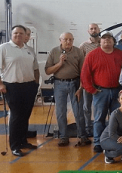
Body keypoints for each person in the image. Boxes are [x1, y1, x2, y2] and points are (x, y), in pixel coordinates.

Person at [81, 30, 122, 153]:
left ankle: (114, 140)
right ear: (100, 41)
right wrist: (92, 90)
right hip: (100, 92)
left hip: (118, 92)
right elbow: (85, 74)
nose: (107, 40)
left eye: (109, 38)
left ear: (113, 41)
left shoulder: (120, 54)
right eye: (104, 38)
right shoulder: (92, 55)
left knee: (116, 118)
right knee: (99, 118)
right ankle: (98, 142)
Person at [0, 25, 40, 156]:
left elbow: (35, 68)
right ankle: (15, 146)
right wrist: (1, 84)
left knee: (25, 115)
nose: (18, 35)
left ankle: (23, 141)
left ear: (25, 36)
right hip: (12, 86)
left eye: (21, 33)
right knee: (16, 116)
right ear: (12, 34)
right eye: (15, 33)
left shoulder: (29, 49)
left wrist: (35, 84)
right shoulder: (4, 48)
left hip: (29, 86)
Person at [44, 32, 88, 147]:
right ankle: (63, 137)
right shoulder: (54, 52)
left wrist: (81, 87)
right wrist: (59, 63)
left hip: (75, 83)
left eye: (71, 40)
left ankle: (82, 136)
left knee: (78, 111)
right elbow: (48, 71)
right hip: (59, 84)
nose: (68, 42)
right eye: (66, 39)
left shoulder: (78, 52)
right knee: (60, 112)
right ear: (60, 40)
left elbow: (83, 72)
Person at [79, 22, 101, 136]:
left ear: (99, 29)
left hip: (101, 81)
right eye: (91, 29)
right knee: (87, 106)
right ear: (88, 31)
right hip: (88, 81)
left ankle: (99, 126)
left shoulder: (104, 43)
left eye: (95, 28)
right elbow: (80, 64)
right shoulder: (83, 46)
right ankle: (88, 127)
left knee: (99, 106)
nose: (93, 30)